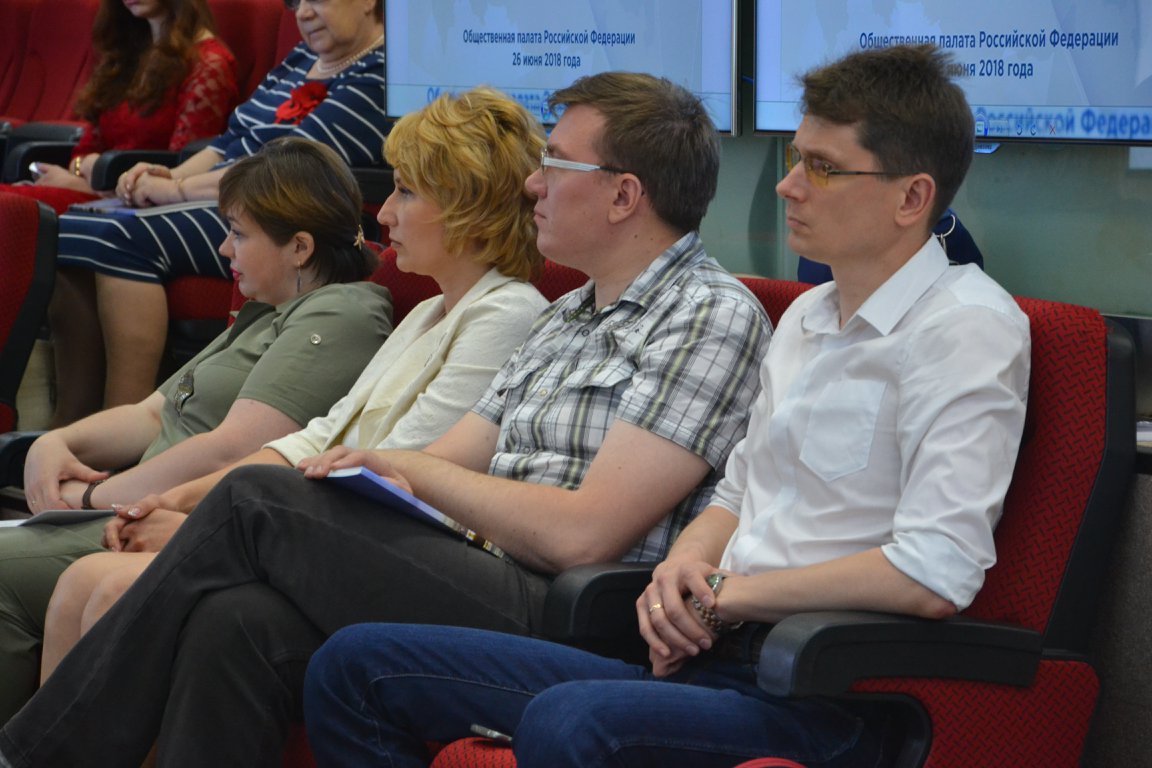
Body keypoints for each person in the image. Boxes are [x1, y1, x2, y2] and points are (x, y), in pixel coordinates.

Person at [0, 71, 771, 768]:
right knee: (235, 620)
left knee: (256, 497)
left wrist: (403, 468)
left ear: (624, 195)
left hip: (574, 604)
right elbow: (453, 457)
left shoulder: (705, 314)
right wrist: (385, 475)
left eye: (558, 165)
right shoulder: (567, 314)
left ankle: (35, 755)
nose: (535, 183)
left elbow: (585, 535)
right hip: (485, 565)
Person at [301, 44, 1033, 768]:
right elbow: (738, 494)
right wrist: (682, 570)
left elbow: (934, 571)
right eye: (795, 159)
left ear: (912, 198)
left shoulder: (965, 327)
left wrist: (731, 593)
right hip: (711, 654)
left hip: (830, 691)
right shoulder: (810, 317)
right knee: (354, 667)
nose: (788, 187)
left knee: (570, 718)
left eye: (823, 168)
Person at [39, 86, 551, 684]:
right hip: (318, 526)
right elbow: (316, 438)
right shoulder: (427, 312)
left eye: (406, 192)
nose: (384, 214)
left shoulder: (508, 312)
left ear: (469, 204)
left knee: (111, 589)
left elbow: (398, 472)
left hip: (380, 552)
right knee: (82, 581)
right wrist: (177, 500)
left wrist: (203, 526)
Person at [0, 136, 392, 723]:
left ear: (300, 247)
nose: (224, 248)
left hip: (169, 520)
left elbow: (233, 447)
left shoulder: (342, 313)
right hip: (133, 506)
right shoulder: (267, 308)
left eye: (239, 234)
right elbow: (151, 413)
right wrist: (59, 442)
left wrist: (87, 498)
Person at [49, 0, 388, 426]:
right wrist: (166, 176)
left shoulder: (381, 73)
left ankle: (122, 416)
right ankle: (72, 418)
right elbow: (229, 141)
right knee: (71, 228)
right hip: (223, 193)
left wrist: (175, 190)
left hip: (273, 214)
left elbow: (284, 167)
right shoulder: (301, 59)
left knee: (120, 237)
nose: (302, 13)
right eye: (294, 1)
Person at [0, 0, 237, 215]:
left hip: (137, 206)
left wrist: (86, 185)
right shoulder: (128, 55)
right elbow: (85, 148)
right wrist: (82, 168)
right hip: (97, 193)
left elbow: (179, 169)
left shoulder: (209, 63)